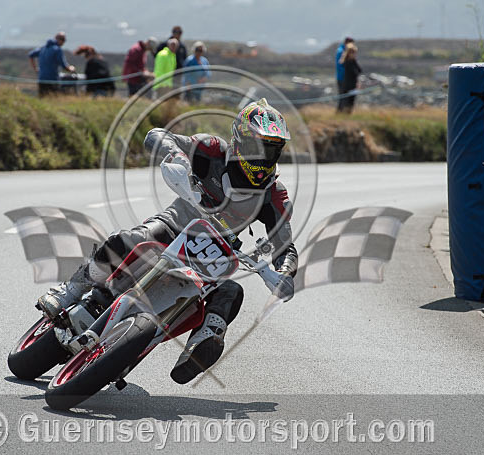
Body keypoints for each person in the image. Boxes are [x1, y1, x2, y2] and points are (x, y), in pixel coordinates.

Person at [36, 98, 298, 384]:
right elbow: (158, 135)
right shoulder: (212, 150)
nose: (262, 157)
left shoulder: (275, 194)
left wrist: (284, 272)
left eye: (271, 150)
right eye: (257, 147)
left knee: (231, 292)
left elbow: (285, 243)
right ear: (239, 139)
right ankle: (71, 290)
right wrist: (176, 157)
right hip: (174, 226)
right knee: (128, 239)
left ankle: (199, 349)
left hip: (212, 261)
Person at [29, 32, 75, 97]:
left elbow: (30, 55)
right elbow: (64, 65)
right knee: (53, 99)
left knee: (43, 100)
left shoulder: (43, 48)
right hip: (53, 80)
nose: (63, 42)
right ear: (57, 39)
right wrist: (71, 68)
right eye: (63, 39)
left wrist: (35, 69)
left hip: (41, 79)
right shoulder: (57, 50)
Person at [339, 44, 362, 114]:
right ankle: (345, 115)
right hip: (348, 86)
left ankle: (347, 115)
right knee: (347, 103)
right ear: (350, 53)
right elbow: (355, 72)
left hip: (352, 85)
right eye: (354, 53)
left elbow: (359, 70)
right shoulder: (348, 62)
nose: (355, 54)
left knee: (350, 103)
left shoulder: (352, 61)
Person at [335, 36, 354, 112]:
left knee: (343, 97)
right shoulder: (341, 51)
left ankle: (341, 113)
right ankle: (340, 113)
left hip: (343, 78)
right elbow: (341, 66)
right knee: (343, 97)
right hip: (342, 78)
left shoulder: (342, 50)